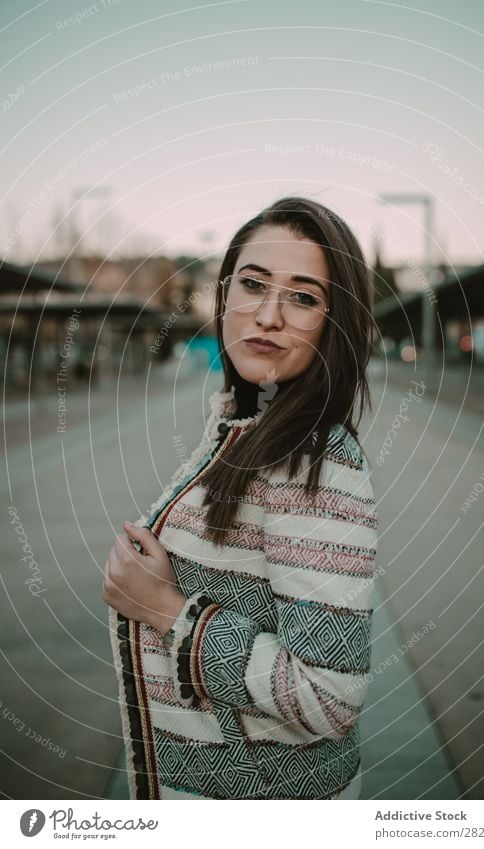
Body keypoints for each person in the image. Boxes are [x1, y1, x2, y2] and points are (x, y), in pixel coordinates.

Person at [103, 195, 378, 800]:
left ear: (335, 322)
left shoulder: (317, 465)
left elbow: (329, 697)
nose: (269, 314)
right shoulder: (244, 422)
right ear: (224, 294)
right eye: (253, 285)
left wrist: (167, 611)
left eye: (303, 297)